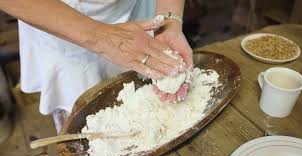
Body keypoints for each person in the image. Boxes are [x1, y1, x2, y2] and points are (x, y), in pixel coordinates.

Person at [0, 0, 193, 133]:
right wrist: (103, 38)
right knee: (92, 127)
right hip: (61, 24)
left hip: (139, 13)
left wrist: (170, 21)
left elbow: (169, 19)